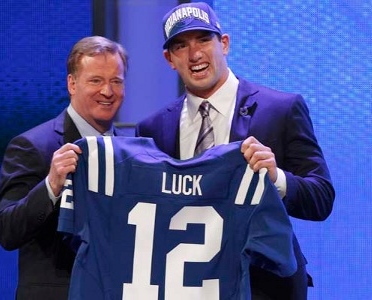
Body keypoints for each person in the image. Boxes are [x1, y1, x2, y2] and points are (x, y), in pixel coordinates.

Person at [136, 2, 335, 300]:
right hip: (185, 285)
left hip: (265, 285)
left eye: (204, 39)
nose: (195, 54)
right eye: (181, 46)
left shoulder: (281, 109)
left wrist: (277, 178)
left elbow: (321, 199)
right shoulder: (153, 129)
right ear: (169, 59)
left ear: (224, 44)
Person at [0, 36, 128, 299]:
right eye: (96, 80)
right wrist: (51, 185)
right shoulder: (32, 146)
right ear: (72, 83)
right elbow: (7, 231)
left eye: (116, 81)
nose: (107, 91)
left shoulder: (131, 151)